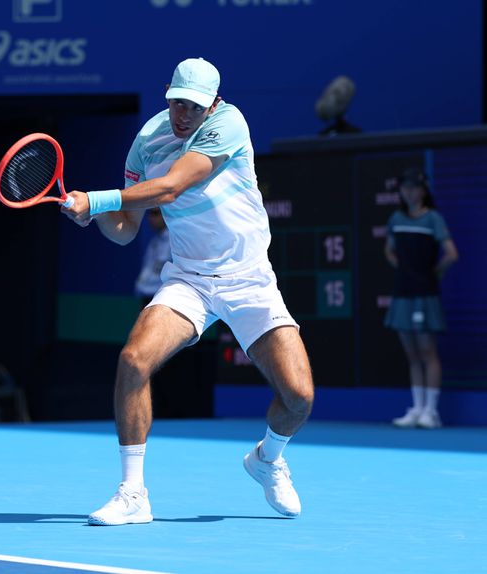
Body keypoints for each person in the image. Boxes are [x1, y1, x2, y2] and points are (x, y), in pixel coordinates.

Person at [61, 57, 314, 524]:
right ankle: (133, 493)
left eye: (195, 107)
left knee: (299, 397)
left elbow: (173, 188)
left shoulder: (229, 123)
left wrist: (95, 198)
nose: (184, 114)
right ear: (168, 94)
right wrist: (94, 215)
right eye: (178, 103)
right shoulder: (146, 142)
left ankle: (267, 458)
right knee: (133, 360)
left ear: (213, 104)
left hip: (249, 279)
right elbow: (125, 229)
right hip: (189, 280)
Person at [384, 168, 458, 429]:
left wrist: (433, 273)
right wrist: (405, 270)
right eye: (405, 187)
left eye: (414, 187)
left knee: (428, 351)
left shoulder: (433, 219)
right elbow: (389, 250)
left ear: (423, 191)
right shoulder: (395, 219)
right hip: (403, 292)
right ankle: (417, 409)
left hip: (425, 293)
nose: (409, 192)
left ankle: (431, 411)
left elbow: (451, 254)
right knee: (412, 353)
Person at [134, 208, 170, 307]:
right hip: (149, 296)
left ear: (166, 214)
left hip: (164, 297)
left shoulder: (175, 240)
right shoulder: (155, 240)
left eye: (155, 213)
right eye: (150, 213)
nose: (151, 218)